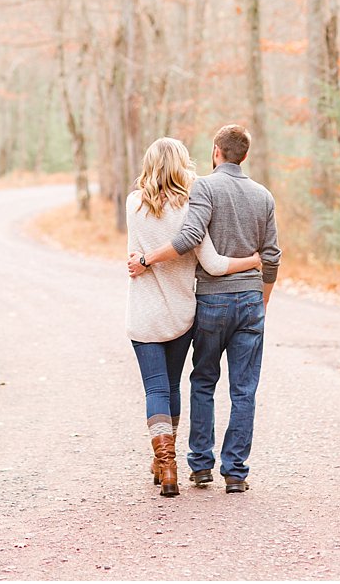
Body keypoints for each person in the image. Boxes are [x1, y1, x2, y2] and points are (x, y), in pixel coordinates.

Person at [128, 123, 280, 493]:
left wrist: (146, 260)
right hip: (215, 305)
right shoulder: (246, 197)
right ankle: (236, 473)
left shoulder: (149, 200)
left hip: (180, 306)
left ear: (216, 151)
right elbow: (247, 259)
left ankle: (186, 465)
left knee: (185, 384)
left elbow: (180, 242)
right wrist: (259, 280)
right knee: (236, 388)